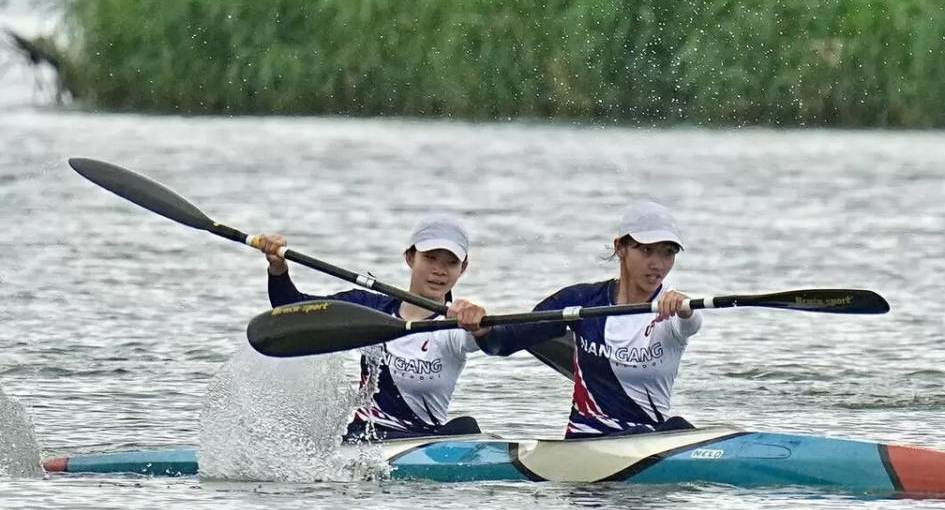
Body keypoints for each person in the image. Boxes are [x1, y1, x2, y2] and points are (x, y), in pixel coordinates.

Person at [456, 201, 702, 439]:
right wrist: (478, 327)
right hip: (586, 442)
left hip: (649, 442)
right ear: (620, 248)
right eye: (647, 250)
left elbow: (691, 322)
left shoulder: (674, 309)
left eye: (667, 253)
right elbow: (503, 342)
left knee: (677, 426)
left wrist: (684, 309)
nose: (658, 264)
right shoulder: (581, 301)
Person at [258, 214, 486, 441]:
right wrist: (278, 269)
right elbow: (291, 310)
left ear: (463, 268)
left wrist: (480, 327)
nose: (440, 270)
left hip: (424, 439)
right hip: (369, 436)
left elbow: (500, 342)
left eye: (451, 263)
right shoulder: (369, 308)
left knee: (467, 427)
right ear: (410, 258)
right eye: (430, 258)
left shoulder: (456, 327)